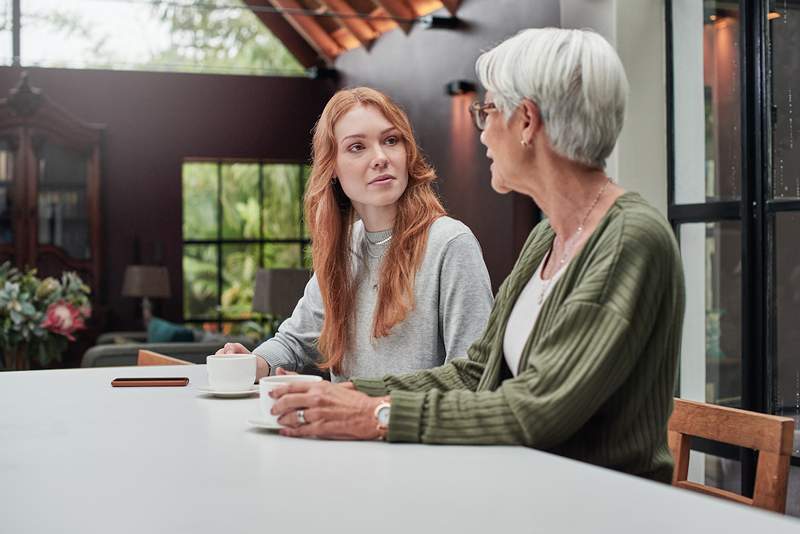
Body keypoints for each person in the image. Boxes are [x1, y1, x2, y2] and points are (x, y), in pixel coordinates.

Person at [269, 28, 686, 483]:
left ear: (526, 121)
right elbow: (476, 371)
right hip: (529, 484)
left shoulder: (628, 240)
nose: (482, 131)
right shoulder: (549, 236)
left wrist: (377, 415)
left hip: (595, 503)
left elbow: (536, 408)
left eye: (487, 111)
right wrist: (355, 394)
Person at [219, 87, 493, 382]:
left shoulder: (450, 243)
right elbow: (295, 340)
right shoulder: (345, 246)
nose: (380, 158)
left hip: (409, 427)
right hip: (338, 429)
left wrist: (365, 406)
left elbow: (472, 376)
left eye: (391, 141)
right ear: (332, 167)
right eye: (357, 147)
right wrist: (253, 362)